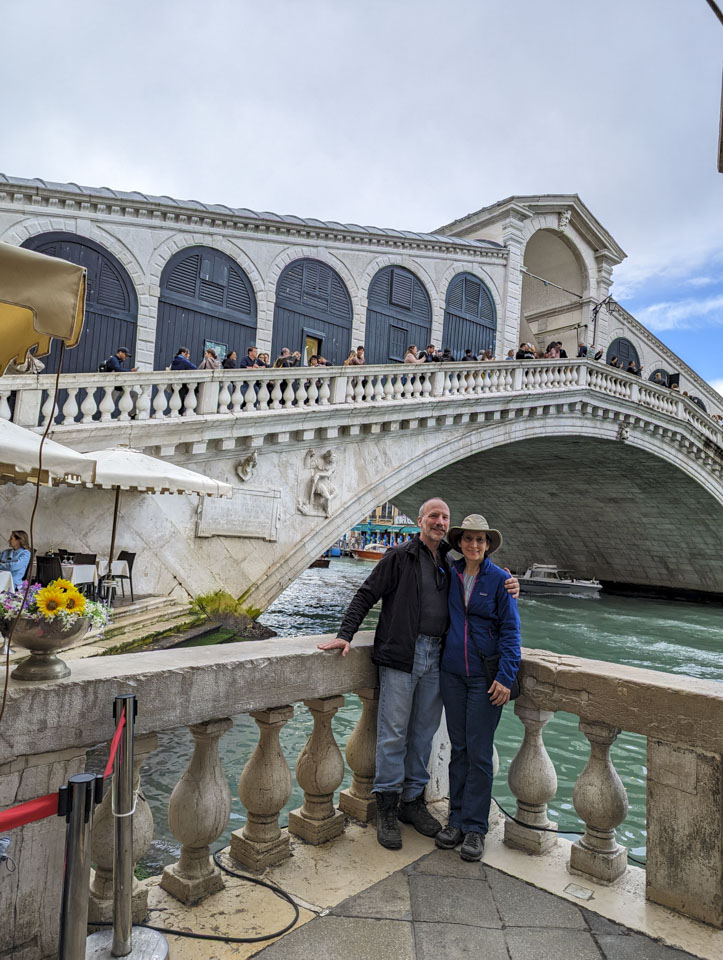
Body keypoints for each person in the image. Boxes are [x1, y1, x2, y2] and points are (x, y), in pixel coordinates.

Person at [317, 499, 519, 850]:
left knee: (424, 733)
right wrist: (345, 634)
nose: (440, 522)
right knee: (394, 732)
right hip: (403, 655)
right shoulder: (400, 556)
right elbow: (366, 595)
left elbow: (500, 609)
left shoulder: (452, 564)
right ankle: (389, 808)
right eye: (434, 517)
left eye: (445, 517)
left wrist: (513, 586)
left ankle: (414, 801)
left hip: (439, 657)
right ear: (421, 521)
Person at [435, 514, 521, 862]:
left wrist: (506, 675)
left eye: (480, 540)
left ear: (488, 546)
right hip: (452, 674)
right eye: (468, 539)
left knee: (480, 753)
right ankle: (455, 819)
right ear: (460, 543)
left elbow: (512, 633)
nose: (474, 545)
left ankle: (474, 828)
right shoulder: (450, 574)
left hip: (486, 679)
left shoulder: (501, 581)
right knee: (459, 749)